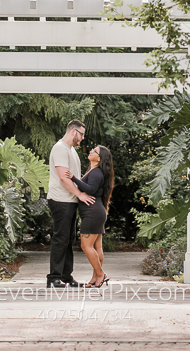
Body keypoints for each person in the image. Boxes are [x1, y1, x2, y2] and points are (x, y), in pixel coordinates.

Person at [46, 120, 95, 288]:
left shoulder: (71, 150)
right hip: (60, 200)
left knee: (68, 239)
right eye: (81, 134)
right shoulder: (60, 149)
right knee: (61, 238)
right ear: (73, 132)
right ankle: (54, 278)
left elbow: (74, 176)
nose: (82, 138)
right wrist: (79, 194)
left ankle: (66, 276)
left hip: (70, 200)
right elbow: (63, 177)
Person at [65, 144, 114, 288]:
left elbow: (90, 189)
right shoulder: (93, 171)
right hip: (96, 213)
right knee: (97, 247)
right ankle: (95, 277)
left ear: (99, 158)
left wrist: (73, 178)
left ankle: (100, 274)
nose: (91, 151)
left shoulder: (96, 173)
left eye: (95, 151)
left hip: (92, 214)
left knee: (86, 246)